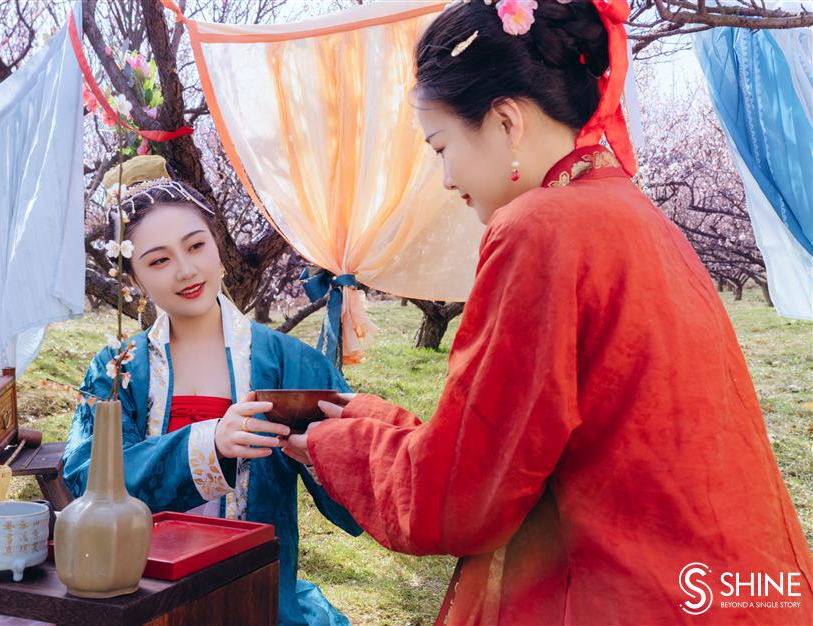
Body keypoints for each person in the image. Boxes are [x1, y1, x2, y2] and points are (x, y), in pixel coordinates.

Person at [281, 1, 813, 624]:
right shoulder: (629, 212)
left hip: (625, 593)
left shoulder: (539, 229)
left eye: (441, 145)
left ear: (505, 121)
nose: (447, 179)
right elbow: (516, 437)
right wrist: (368, 417)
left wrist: (335, 443)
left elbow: (459, 495)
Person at [62, 157, 361, 626]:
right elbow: (85, 480)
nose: (185, 270)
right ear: (135, 279)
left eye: (196, 246)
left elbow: (357, 506)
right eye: (158, 260)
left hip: (253, 599)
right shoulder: (116, 371)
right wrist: (210, 444)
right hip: (138, 596)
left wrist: (321, 455)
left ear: (218, 248)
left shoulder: (290, 363)